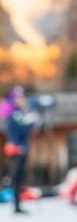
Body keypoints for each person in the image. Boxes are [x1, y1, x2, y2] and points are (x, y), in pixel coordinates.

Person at [4, 86, 40, 214]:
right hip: (17, 149)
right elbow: (21, 131)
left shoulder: (18, 113)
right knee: (17, 177)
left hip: (20, 148)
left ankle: (18, 204)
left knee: (20, 177)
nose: (23, 100)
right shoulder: (14, 114)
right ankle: (16, 205)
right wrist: (30, 122)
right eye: (20, 97)